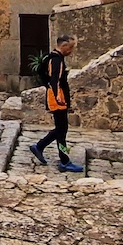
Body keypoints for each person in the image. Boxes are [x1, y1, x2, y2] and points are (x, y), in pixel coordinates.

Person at [30, 36, 81, 171]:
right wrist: (58, 97)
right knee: (61, 129)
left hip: (56, 97)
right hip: (58, 99)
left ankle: (41, 147)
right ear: (63, 46)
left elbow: (42, 74)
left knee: (61, 129)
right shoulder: (56, 60)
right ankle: (63, 160)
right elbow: (54, 80)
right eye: (70, 48)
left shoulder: (49, 58)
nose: (71, 51)